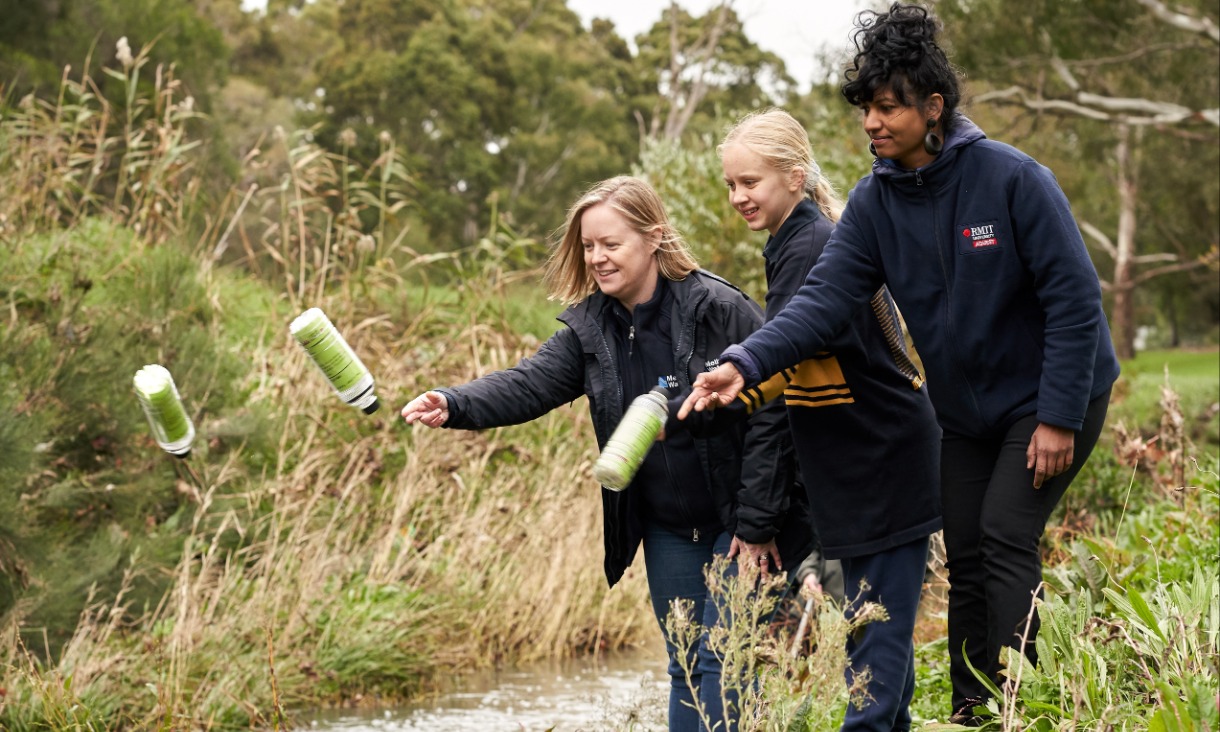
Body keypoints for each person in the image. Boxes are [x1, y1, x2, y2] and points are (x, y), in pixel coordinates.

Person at [680, 5, 1119, 726]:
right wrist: (744, 363)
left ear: (932, 105)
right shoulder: (876, 201)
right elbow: (820, 303)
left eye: (888, 107)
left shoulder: (1012, 179)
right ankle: (973, 711)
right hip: (965, 415)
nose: (872, 123)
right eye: (866, 109)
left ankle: (1022, 709)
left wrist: (1057, 415)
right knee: (969, 553)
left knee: (1006, 535)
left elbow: (1075, 303)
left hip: (1050, 395)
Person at [400, 176, 814, 731]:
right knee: (686, 666)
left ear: (654, 238)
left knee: (725, 659)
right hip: (668, 528)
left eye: (611, 244)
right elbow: (528, 384)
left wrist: (759, 524)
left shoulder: (720, 308)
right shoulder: (589, 327)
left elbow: (776, 414)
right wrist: (452, 403)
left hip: (739, 523)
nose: (596, 257)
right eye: (589, 246)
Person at [718, 107, 942, 731]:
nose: (738, 197)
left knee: (872, 667)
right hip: (857, 470)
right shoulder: (791, 242)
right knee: (882, 661)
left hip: (885, 462)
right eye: (731, 185)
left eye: (750, 182)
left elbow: (781, 365)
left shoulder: (812, 244)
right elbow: (793, 379)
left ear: (794, 176)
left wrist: (736, 393)